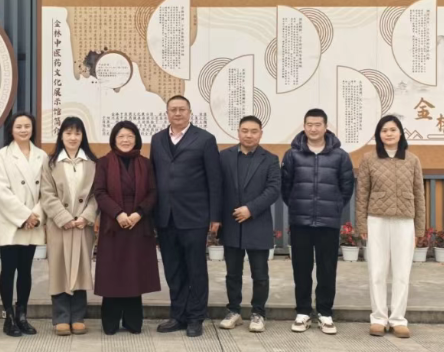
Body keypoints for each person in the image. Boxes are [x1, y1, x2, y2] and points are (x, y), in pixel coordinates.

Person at [150, 95, 222, 338]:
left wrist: (215, 216)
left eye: (182, 109)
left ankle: (195, 317)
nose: (178, 113)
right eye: (173, 109)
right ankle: (178, 315)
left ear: (190, 112)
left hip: (194, 216)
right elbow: (153, 177)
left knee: (196, 269)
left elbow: (215, 180)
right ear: (167, 113)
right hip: (165, 216)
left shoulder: (205, 139)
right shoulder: (158, 139)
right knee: (173, 269)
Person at [281, 108, 354, 335]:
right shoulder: (292, 155)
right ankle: (303, 312)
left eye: (317, 125)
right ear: (304, 126)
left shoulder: (340, 156)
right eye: (309, 125)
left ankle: (325, 313)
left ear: (325, 127)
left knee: (327, 269)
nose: (313, 129)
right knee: (301, 268)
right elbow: (286, 188)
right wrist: (297, 207)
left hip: (328, 222)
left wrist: (333, 207)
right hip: (300, 221)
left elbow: (346, 188)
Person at [356, 115, 426, 339]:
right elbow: (362, 194)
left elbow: (419, 195)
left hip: (405, 221)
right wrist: (361, 223)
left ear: (400, 133)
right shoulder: (369, 159)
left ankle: (397, 320)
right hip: (376, 219)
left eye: (393, 129)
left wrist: (419, 228)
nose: (389, 133)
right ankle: (378, 318)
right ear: (379, 134)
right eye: (384, 130)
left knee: (402, 272)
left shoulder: (412, 160)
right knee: (377, 270)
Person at [93, 121, 161, 335]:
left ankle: (133, 321)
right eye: (121, 136)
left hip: (138, 223)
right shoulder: (104, 162)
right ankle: (110, 322)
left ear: (136, 139)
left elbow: (153, 192)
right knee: (113, 272)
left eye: (130, 136)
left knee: (134, 272)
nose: (125, 140)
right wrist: (118, 213)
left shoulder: (145, 163)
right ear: (114, 139)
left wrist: (139, 213)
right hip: (113, 224)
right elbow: (99, 192)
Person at [217, 116, 281, 333]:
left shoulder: (270, 159)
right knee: (232, 273)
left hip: (257, 222)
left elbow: (273, 189)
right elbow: (217, 188)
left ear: (260, 133)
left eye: (254, 131)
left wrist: (250, 209)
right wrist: (216, 218)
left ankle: (258, 313)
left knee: (260, 274)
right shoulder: (224, 157)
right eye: (245, 130)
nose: (249, 135)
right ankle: (233, 311)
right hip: (232, 223)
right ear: (238, 132)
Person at [0, 112, 47, 337]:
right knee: (8, 269)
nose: (23, 130)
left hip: (33, 221)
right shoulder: (3, 155)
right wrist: (24, 216)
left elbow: (47, 190)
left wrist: (36, 215)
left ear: (33, 129)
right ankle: (9, 316)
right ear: (11, 130)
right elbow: (0, 191)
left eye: (27, 126)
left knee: (25, 270)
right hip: (11, 222)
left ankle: (22, 314)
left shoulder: (41, 155)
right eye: (19, 126)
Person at [40, 116, 99, 336]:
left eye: (77, 133)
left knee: (81, 268)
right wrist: (63, 217)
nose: (73, 137)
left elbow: (97, 194)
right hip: (59, 225)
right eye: (68, 133)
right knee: (59, 269)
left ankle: (78, 316)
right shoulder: (50, 162)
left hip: (83, 225)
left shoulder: (92, 162)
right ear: (61, 135)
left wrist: (86, 216)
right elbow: (46, 193)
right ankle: (61, 317)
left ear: (83, 136)